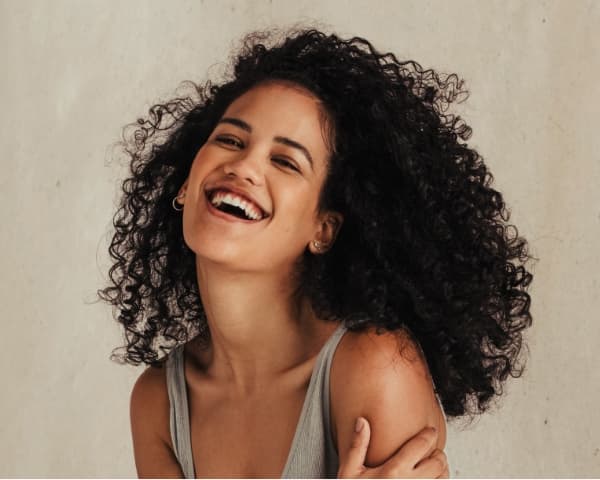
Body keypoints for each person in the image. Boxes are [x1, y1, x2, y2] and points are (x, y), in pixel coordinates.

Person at [98, 28, 533, 478]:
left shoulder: (373, 370)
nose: (244, 167)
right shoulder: (158, 403)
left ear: (323, 229)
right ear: (187, 183)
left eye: (285, 162)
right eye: (230, 140)